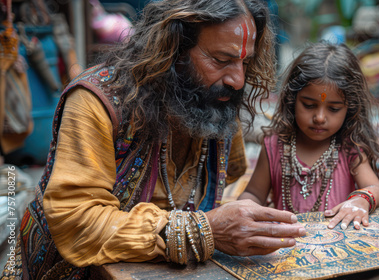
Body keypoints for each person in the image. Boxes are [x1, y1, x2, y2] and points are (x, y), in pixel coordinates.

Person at [2, 1, 307, 279]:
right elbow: (77, 221)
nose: (238, 79)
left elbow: (230, 179)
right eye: (221, 59)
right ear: (173, 49)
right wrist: (204, 229)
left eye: (244, 63)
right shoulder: (96, 102)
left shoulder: (216, 103)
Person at [239, 41, 379, 230]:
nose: (319, 118)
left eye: (333, 109)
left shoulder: (349, 147)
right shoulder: (274, 145)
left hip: (337, 247)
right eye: (309, 105)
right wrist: (245, 207)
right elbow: (254, 193)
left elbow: (376, 189)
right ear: (292, 100)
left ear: (350, 109)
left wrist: (361, 200)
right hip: (286, 243)